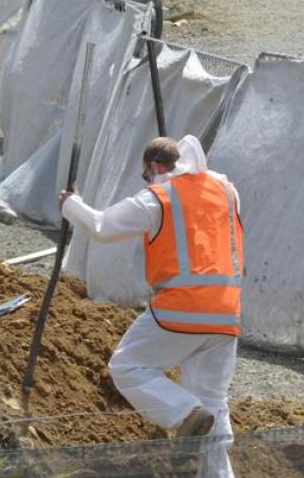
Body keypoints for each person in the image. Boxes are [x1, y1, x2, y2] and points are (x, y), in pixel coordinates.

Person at [59, 135, 243, 478]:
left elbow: (103, 226)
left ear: (154, 168)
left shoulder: (158, 198)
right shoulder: (226, 192)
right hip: (227, 314)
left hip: (181, 309)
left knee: (128, 366)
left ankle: (184, 412)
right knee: (215, 401)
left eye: (146, 175)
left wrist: (71, 205)